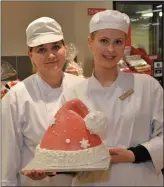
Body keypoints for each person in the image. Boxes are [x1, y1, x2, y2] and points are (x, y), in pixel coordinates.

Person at [55, 10, 163, 186]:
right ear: (90, 42)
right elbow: (66, 144)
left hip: (141, 180)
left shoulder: (148, 86)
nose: (111, 49)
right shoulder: (73, 93)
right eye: (104, 41)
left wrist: (134, 154)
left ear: (125, 45)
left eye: (118, 42)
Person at [1, 17, 84, 186]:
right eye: (41, 50)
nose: (51, 55)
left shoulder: (82, 87)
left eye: (56, 47)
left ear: (64, 48)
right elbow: (8, 156)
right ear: (30, 55)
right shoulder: (17, 96)